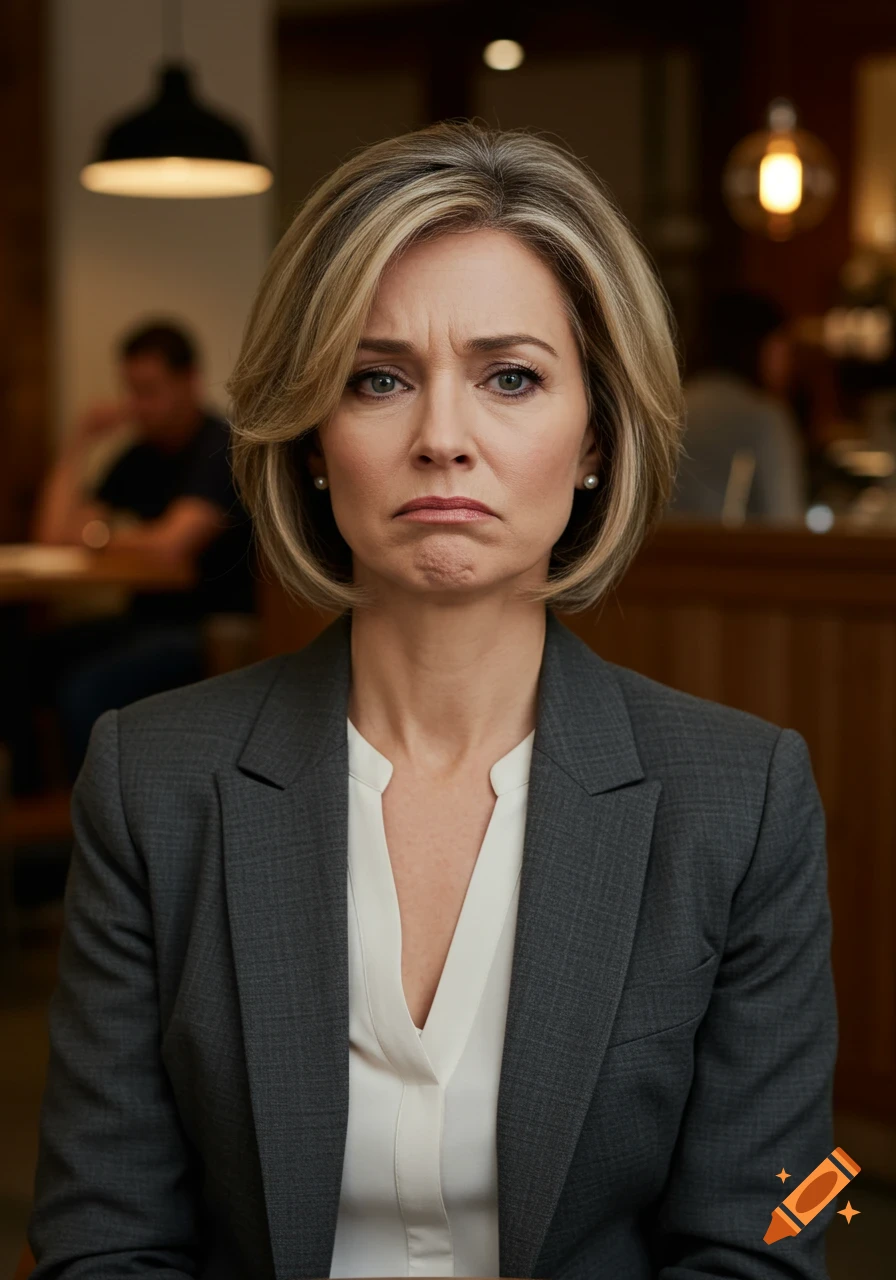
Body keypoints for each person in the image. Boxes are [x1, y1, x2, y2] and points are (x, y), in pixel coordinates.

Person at [28, 123, 836, 1279]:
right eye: (378, 378)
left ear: (595, 435)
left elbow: (777, 1225)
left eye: (510, 377)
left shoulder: (741, 801)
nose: (441, 439)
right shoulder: (151, 782)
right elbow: (101, 1235)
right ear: (313, 435)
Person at [21, 321, 254, 784]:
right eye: (131, 391)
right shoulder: (139, 456)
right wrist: (81, 439)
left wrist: (97, 536)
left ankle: (101, 814)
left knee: (85, 689)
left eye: (150, 390)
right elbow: (50, 535)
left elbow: (171, 545)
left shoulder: (220, 446)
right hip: (145, 619)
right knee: (24, 659)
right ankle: (37, 810)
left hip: (209, 626)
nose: (138, 406)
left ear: (189, 381)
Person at [670, 289, 807, 522]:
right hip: (736, 546)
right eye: (783, 346)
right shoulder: (765, 418)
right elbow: (785, 517)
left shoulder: (672, 408)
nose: (789, 362)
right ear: (759, 346)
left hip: (661, 544)